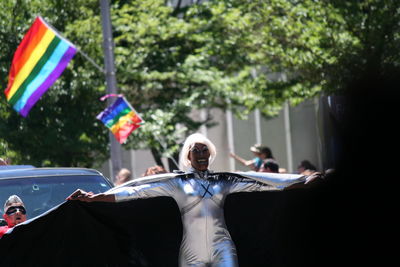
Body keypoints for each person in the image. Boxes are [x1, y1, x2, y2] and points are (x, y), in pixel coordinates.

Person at [67, 133, 322, 267]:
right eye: (195, 151)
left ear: (209, 155)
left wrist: (301, 181)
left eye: (204, 150)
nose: (200, 154)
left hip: (223, 248)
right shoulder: (175, 183)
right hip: (191, 253)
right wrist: (96, 197)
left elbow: (262, 182)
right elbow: (135, 191)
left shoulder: (225, 180)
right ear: (188, 156)